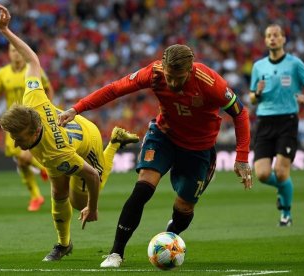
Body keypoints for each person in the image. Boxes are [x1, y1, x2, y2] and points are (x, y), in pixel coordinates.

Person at [58, 44, 253, 268]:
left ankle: (169, 237)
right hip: (164, 137)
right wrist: (76, 108)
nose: (172, 83)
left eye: (178, 78)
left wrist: (242, 158)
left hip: (199, 149)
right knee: (142, 189)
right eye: (169, 76)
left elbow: (240, 113)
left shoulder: (210, 83)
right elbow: (115, 89)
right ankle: (116, 253)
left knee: (184, 208)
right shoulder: (154, 73)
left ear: (190, 70)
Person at [0, 4, 139, 262]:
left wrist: (92, 209)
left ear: (33, 128)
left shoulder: (56, 153)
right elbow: (33, 60)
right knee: (57, 192)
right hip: (58, 145)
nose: (16, 144)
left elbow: (92, 175)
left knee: (76, 200)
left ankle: (114, 142)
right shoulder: (33, 98)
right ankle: (63, 244)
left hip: (87, 140)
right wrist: (5, 30)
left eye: (19, 138)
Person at [249, 24, 304, 226]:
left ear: (283, 39)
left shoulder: (294, 64)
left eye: (276, 35)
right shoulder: (258, 67)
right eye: (269, 35)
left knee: (281, 172)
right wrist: (258, 93)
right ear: (265, 40)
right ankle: (283, 190)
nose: (272, 38)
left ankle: (286, 213)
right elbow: (252, 98)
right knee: (262, 174)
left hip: (287, 121)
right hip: (264, 121)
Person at [0, 39, 55, 212]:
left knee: (23, 157)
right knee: (21, 160)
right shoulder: (3, 73)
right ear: (8, 54)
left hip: (31, 120)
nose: (15, 54)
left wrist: (47, 109)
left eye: (17, 51)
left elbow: (48, 88)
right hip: (11, 123)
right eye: (12, 51)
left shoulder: (33, 71)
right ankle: (36, 196)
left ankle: (46, 171)